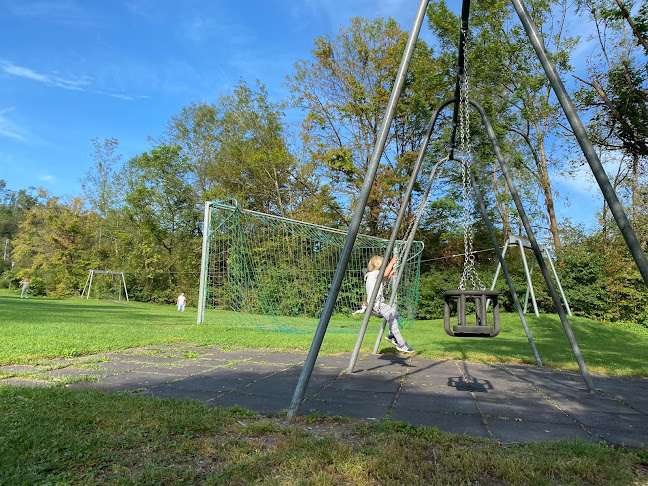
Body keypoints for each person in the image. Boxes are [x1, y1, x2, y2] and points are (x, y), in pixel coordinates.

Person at [365, 255, 414, 353]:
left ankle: (391, 335)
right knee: (393, 319)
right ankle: (401, 343)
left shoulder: (373, 275)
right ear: (380, 265)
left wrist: (389, 275)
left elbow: (383, 280)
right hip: (377, 305)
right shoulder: (375, 273)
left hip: (377, 304)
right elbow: (383, 274)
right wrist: (391, 263)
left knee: (395, 314)